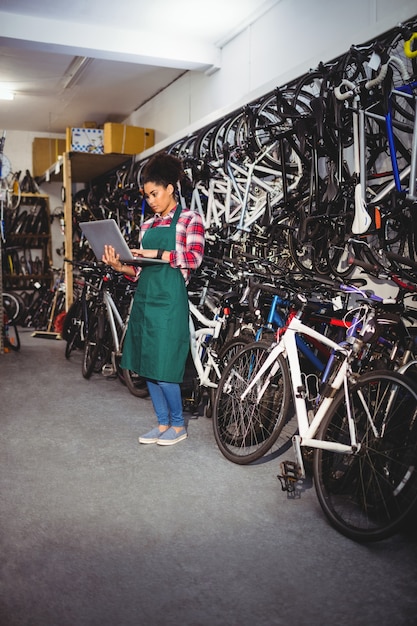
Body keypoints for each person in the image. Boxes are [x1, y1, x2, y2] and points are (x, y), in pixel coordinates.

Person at [102, 152, 205, 446]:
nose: (151, 201)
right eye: (147, 196)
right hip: (145, 298)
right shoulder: (147, 226)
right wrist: (120, 265)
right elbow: (138, 272)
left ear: (171, 188)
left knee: (165, 367)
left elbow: (194, 258)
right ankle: (162, 424)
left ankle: (177, 425)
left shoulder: (190, 219)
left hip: (170, 301)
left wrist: (154, 254)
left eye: (155, 193)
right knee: (146, 363)